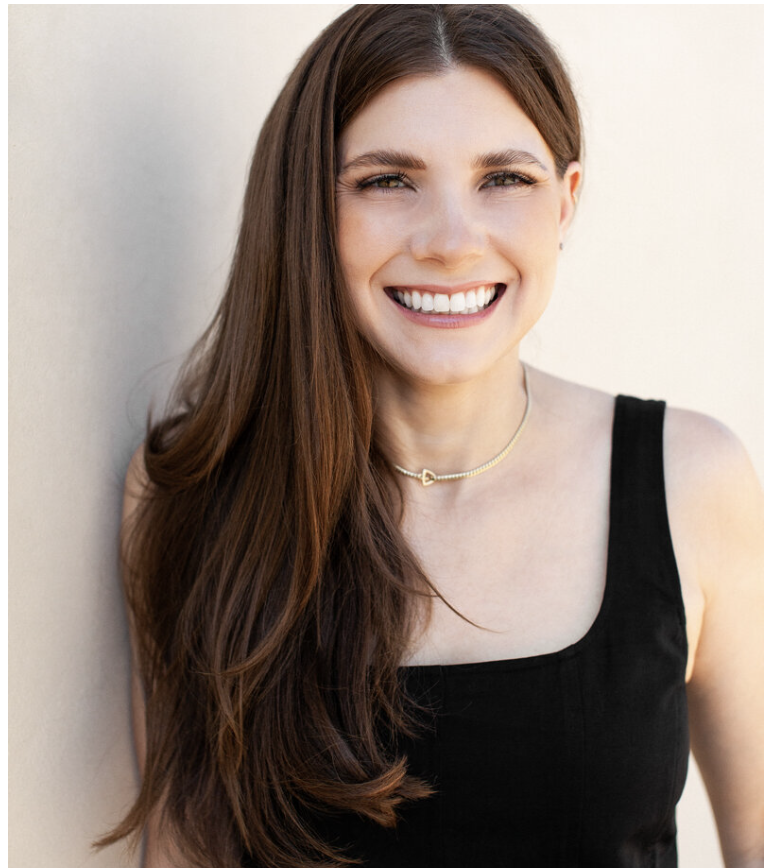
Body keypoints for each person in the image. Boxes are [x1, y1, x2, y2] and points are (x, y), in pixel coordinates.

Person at [100, 5, 764, 867]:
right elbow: (184, 853)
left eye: (505, 178)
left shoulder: (691, 481)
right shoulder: (194, 492)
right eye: (388, 180)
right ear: (309, 207)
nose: (452, 242)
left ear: (565, 203)